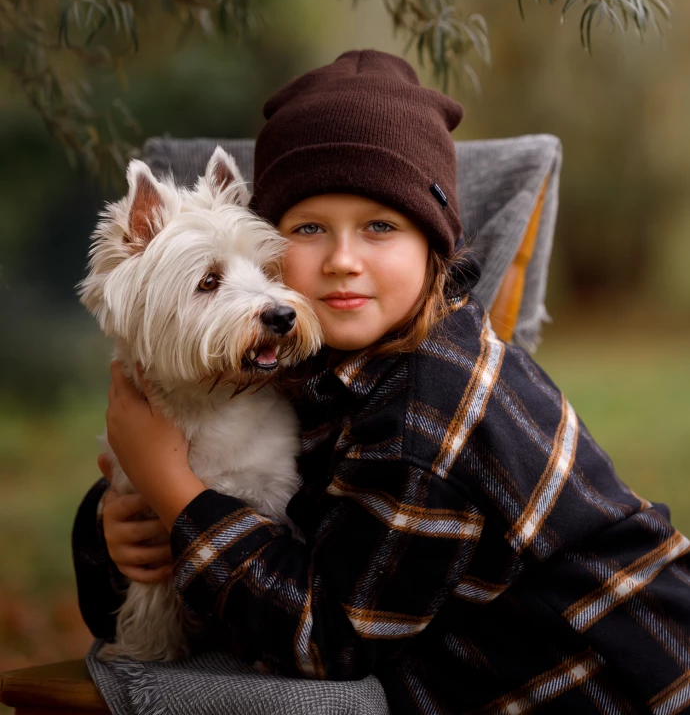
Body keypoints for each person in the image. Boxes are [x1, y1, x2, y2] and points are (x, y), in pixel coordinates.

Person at [73, 49, 690, 714]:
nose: (342, 261)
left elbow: (327, 640)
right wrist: (111, 532)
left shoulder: (430, 409)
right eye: (309, 229)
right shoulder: (312, 369)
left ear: (435, 247)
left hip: (619, 687)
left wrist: (176, 494)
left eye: (381, 228)